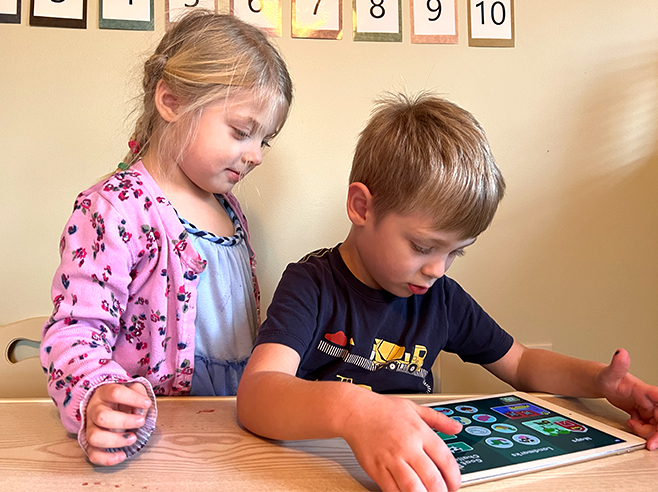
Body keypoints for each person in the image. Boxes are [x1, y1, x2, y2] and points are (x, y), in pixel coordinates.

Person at [237, 92, 658, 492]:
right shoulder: (310, 285)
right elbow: (257, 393)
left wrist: (600, 383)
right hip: (316, 470)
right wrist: (353, 409)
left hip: (419, 470)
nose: (438, 269)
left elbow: (524, 364)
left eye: (457, 252)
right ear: (362, 208)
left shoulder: (441, 298)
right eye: (422, 247)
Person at [40, 11, 293, 467]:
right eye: (241, 132)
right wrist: (98, 397)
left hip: (233, 435)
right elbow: (75, 332)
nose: (255, 155)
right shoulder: (117, 208)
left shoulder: (229, 209)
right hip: (153, 441)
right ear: (172, 101)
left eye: (265, 141)